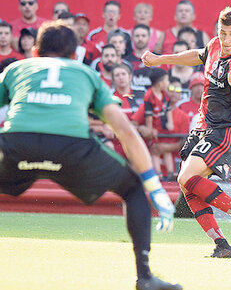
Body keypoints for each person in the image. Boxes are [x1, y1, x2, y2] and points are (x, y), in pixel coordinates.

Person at [0, 21, 182, 290]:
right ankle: (145, 276)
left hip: (16, 145)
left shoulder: (16, 68)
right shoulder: (86, 74)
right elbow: (125, 130)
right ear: (75, 55)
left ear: (35, 52)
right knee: (133, 189)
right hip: (72, 148)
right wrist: (154, 186)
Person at [142, 6, 231, 258]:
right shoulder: (215, 45)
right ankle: (221, 244)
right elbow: (197, 55)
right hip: (202, 127)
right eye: (222, 33)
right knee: (186, 185)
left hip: (223, 131)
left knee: (187, 177)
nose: (227, 40)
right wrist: (160, 59)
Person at [110, 64, 145, 157]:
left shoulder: (142, 93)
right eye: (117, 75)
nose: (121, 77)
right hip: (117, 146)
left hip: (141, 145)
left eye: (123, 74)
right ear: (113, 79)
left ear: (130, 77)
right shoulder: (109, 97)